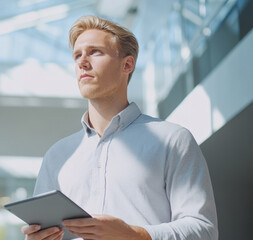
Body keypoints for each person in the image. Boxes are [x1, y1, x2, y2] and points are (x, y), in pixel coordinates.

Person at [21, 15, 218, 240]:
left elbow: (204, 230)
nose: (82, 62)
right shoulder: (57, 156)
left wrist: (136, 235)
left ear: (127, 64)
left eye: (95, 52)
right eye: (77, 55)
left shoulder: (172, 140)